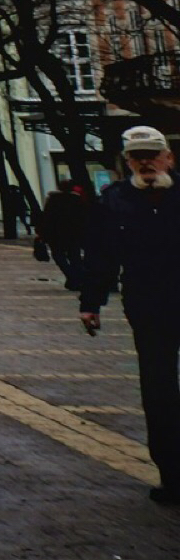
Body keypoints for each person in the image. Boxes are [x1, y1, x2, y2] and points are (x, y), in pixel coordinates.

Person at [77, 125, 179, 506]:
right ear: (127, 162)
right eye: (138, 157)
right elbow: (100, 257)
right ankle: (173, 476)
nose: (146, 162)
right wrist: (90, 303)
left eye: (153, 154)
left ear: (169, 157)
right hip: (147, 305)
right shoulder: (113, 201)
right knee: (158, 390)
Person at [39, 179, 94, 294]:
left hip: (56, 234)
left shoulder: (53, 199)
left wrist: (43, 234)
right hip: (74, 233)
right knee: (75, 257)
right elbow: (84, 218)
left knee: (59, 256)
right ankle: (77, 278)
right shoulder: (76, 199)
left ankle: (72, 276)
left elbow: (47, 218)